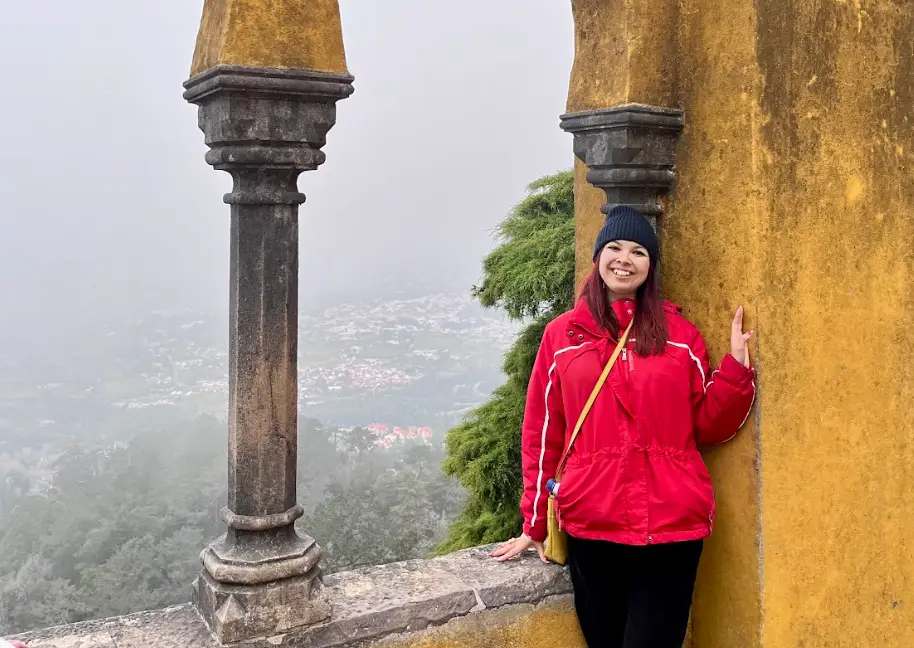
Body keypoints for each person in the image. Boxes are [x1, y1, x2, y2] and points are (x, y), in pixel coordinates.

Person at [490, 206, 756, 648]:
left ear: (649, 267)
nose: (624, 259)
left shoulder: (680, 337)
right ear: (598, 257)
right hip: (592, 519)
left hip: (671, 523)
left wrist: (734, 370)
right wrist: (534, 522)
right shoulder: (563, 336)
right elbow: (543, 430)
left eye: (638, 251)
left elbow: (707, 426)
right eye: (614, 247)